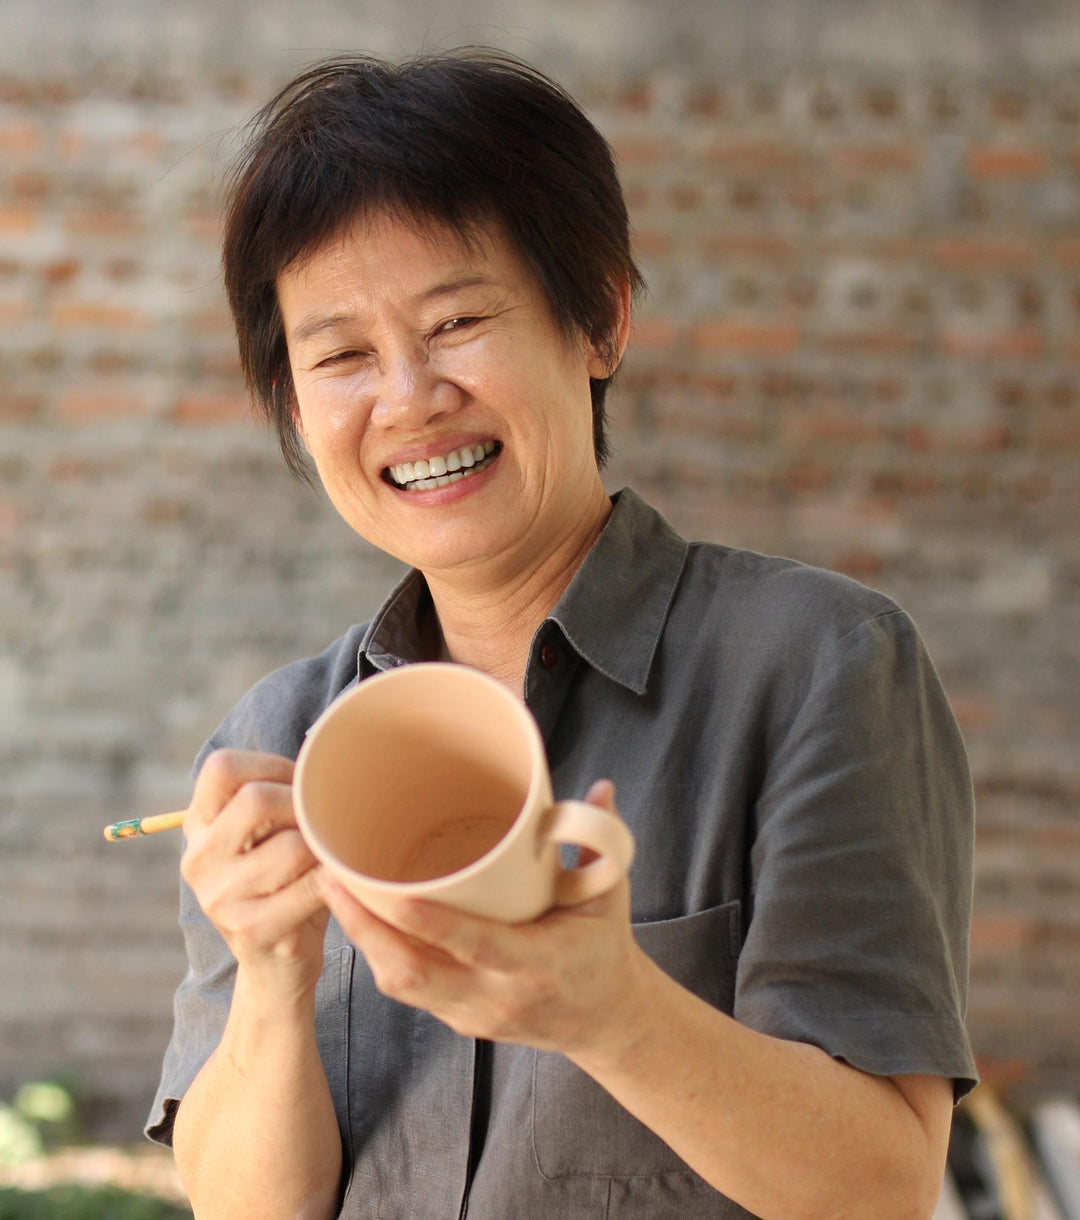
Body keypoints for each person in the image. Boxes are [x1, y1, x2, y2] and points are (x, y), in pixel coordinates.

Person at [147, 50, 978, 1220]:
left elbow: (880, 1184)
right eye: (339, 355)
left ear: (598, 319)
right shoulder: (276, 740)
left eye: (456, 321)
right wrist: (277, 976)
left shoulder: (818, 666)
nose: (408, 397)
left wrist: (610, 1009)